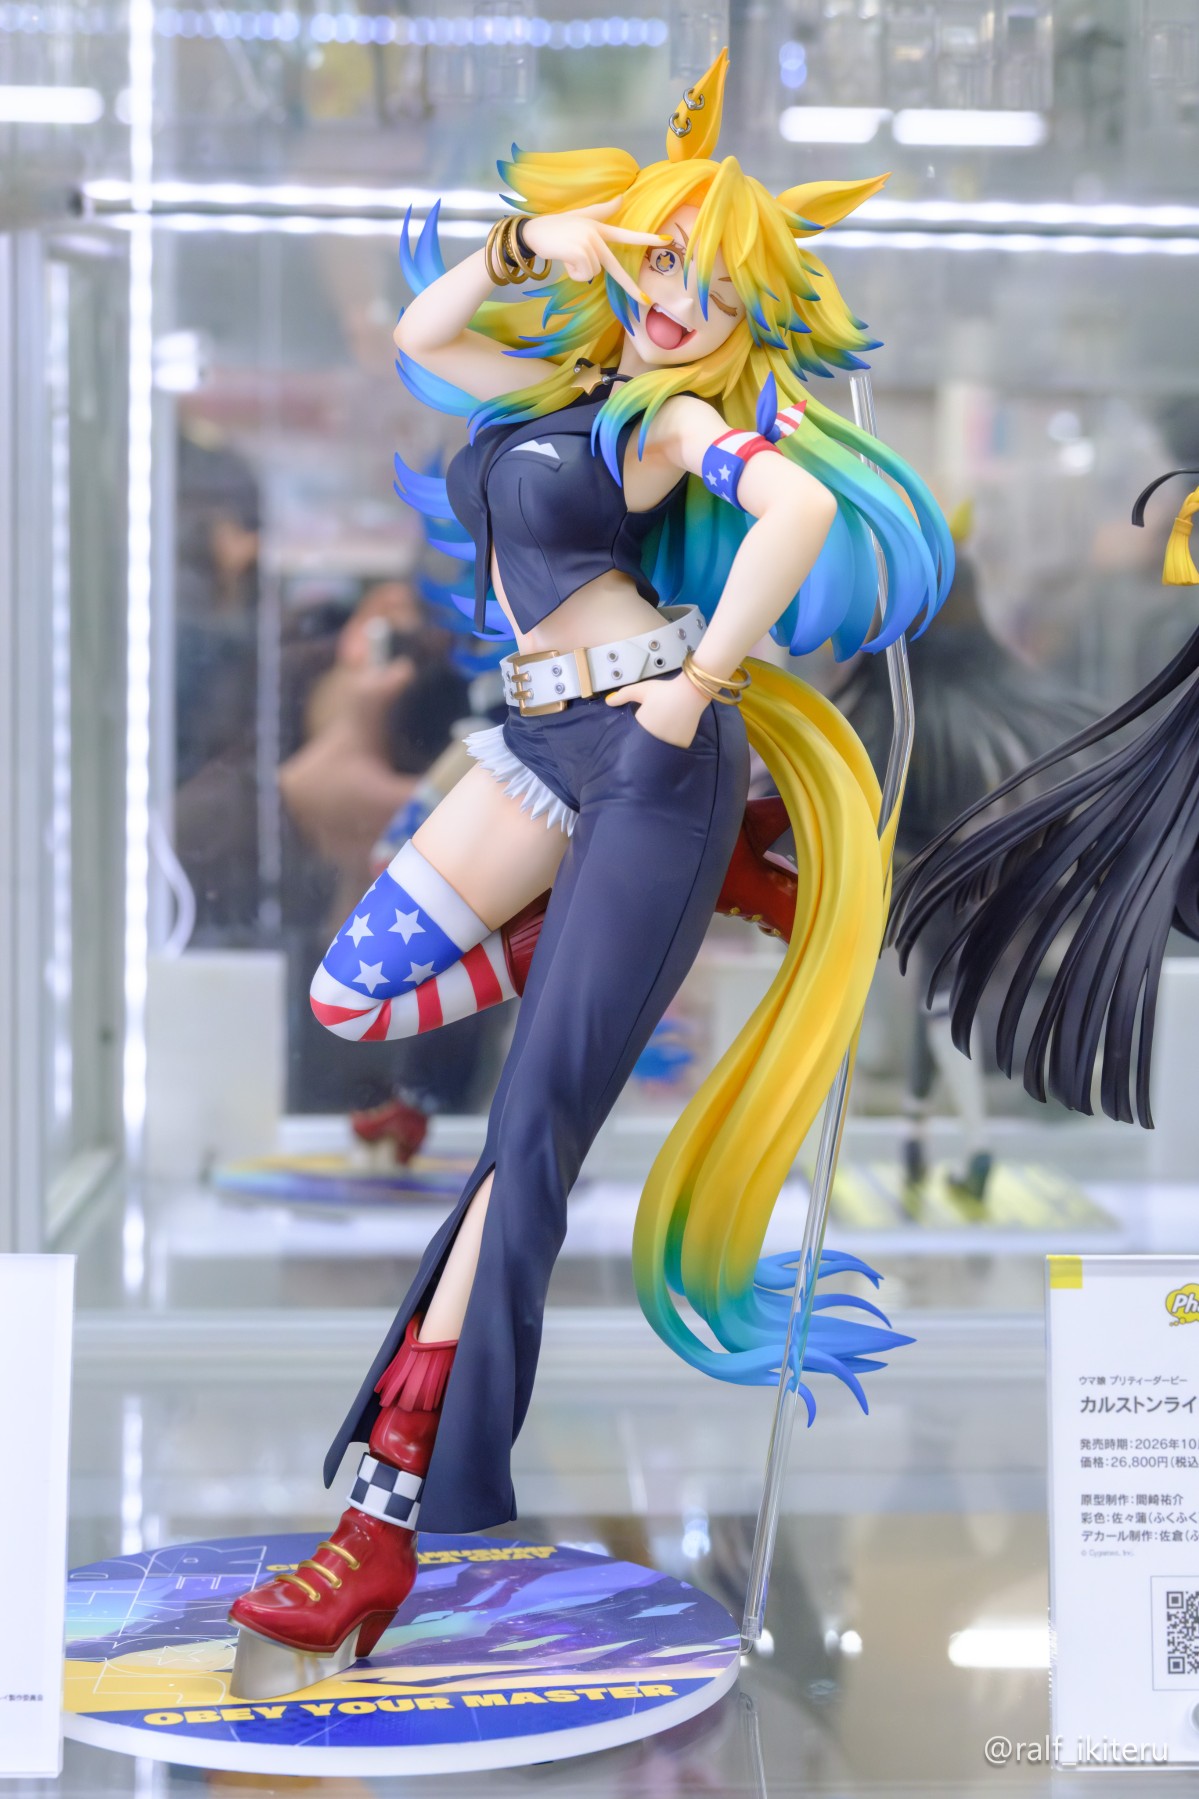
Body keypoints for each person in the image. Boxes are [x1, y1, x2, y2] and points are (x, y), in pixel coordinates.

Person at [227, 50, 952, 1699]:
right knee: (352, 990)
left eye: (717, 285)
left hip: (646, 758)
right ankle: (648, 909)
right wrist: (526, 246)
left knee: (526, 1138)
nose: (684, 300)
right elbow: (423, 341)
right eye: (669, 260)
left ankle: (387, 1513)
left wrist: (697, 686)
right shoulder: (559, 390)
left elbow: (786, 512)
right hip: (541, 749)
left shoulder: (676, 420)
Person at [888, 469, 1199, 1132]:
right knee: (942, 978)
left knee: (945, 979)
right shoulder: (940, 676)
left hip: (954, 829)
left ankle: (945, 1118)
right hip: (945, 827)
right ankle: (936, 1119)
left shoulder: (954, 674)